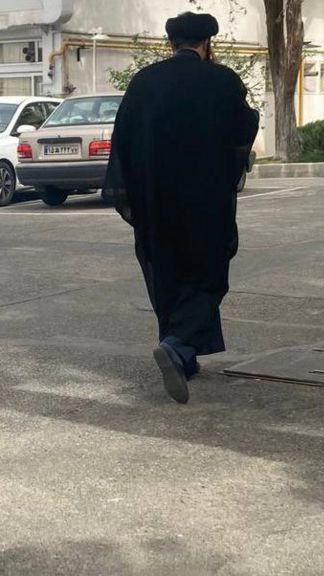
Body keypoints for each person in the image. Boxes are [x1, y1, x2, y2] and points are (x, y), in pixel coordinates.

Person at [104, 12, 259, 404]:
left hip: (156, 202)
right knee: (208, 278)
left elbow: (122, 143)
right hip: (205, 202)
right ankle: (176, 346)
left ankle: (185, 358)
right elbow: (243, 131)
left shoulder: (144, 82)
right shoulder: (222, 81)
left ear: (171, 43)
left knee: (168, 276)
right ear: (206, 43)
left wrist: (136, 197)